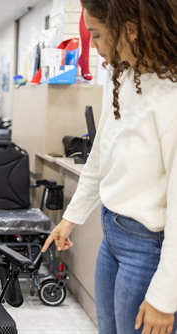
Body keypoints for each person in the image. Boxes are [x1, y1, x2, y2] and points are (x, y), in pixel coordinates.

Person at [41, 1, 177, 333]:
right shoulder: (122, 76)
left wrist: (164, 296)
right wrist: (70, 219)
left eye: (98, 35)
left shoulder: (170, 93)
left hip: (149, 248)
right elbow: (100, 157)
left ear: (130, 29)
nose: (95, 47)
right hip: (112, 236)